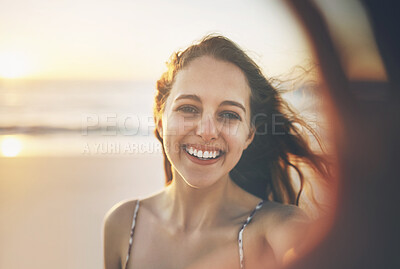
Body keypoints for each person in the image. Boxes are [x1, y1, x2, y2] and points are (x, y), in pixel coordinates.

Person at [103, 35, 330, 269]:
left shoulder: (276, 229)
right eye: (189, 108)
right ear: (161, 122)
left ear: (249, 135)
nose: (207, 131)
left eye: (229, 114)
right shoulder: (123, 223)